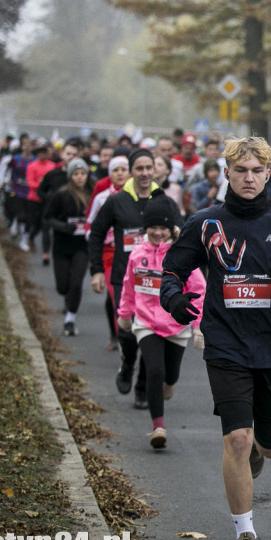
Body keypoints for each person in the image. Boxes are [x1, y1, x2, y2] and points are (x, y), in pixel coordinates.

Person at [159, 137, 271, 540]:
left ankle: (258, 450)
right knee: (236, 438)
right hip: (225, 342)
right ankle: (245, 536)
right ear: (227, 174)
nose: (248, 178)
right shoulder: (205, 222)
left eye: (256, 170)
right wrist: (174, 298)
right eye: (240, 171)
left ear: (268, 172)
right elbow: (173, 271)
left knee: (267, 448)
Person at [89, 149, 178, 410]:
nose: (145, 173)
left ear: (155, 170)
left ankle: (142, 387)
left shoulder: (164, 201)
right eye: (139, 168)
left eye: (149, 168)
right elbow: (96, 233)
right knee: (126, 332)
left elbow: (181, 233)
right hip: (125, 277)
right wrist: (96, 269)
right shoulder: (117, 201)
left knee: (151, 334)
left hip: (158, 281)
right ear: (131, 171)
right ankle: (127, 363)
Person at [117, 193, 206, 449]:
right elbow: (128, 286)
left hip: (176, 326)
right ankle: (158, 427)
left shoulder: (181, 255)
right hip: (146, 322)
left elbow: (199, 289)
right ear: (146, 228)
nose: (158, 233)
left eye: (163, 228)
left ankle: (169, 384)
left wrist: (198, 325)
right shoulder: (137, 254)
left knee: (170, 376)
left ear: (171, 229)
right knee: (154, 371)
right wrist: (125, 313)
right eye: (153, 227)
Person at [43, 159, 94, 336]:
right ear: (70, 176)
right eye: (76, 174)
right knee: (63, 287)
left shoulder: (92, 195)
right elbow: (48, 218)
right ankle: (67, 299)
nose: (80, 178)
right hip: (62, 246)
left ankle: (70, 320)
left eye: (82, 174)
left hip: (82, 247)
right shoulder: (61, 195)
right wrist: (64, 226)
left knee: (76, 283)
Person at [87, 155, 131, 352]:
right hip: (109, 253)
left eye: (123, 169)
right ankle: (122, 338)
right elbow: (91, 225)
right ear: (110, 174)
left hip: (134, 254)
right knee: (117, 295)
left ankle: (132, 336)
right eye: (116, 170)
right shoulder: (102, 198)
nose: (120, 173)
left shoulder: (137, 197)